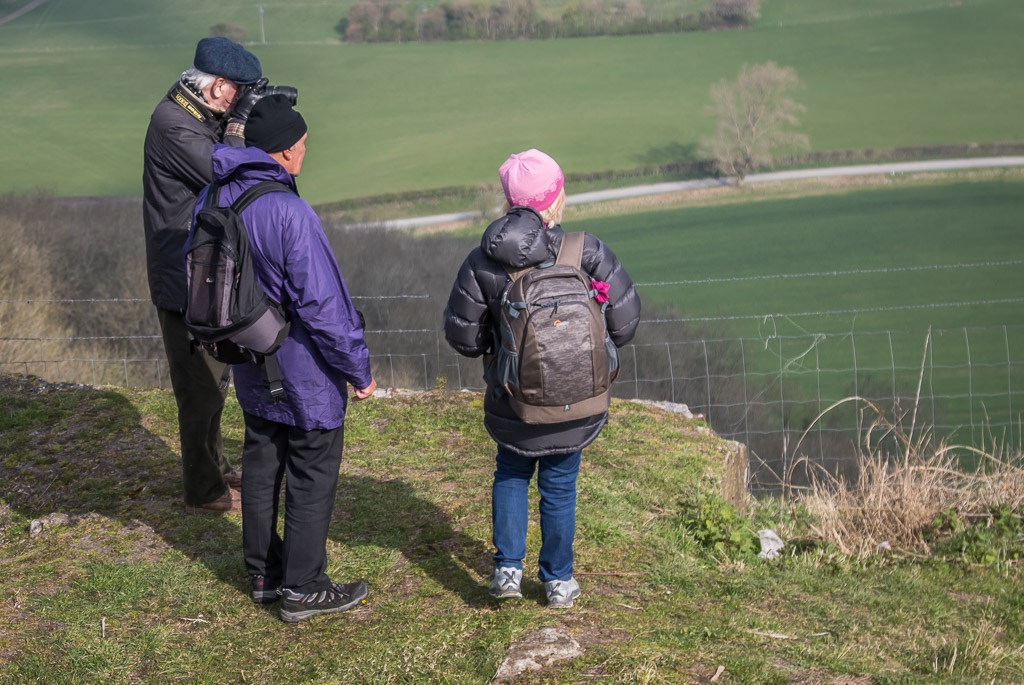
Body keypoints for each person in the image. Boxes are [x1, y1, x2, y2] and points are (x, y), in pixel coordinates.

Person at [190, 94, 377, 622]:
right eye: (303, 145)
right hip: (301, 366)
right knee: (311, 468)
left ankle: (263, 575)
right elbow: (323, 305)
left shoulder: (214, 195)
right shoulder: (290, 212)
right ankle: (304, 586)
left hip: (246, 357)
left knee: (262, 459)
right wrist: (357, 369)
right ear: (289, 151)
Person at [443, 149, 641, 608]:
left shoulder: (484, 261)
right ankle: (558, 581)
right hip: (577, 402)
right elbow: (627, 324)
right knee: (560, 484)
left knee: (511, 473)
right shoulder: (585, 251)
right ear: (555, 201)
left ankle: (507, 571)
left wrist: (501, 345)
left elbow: (463, 337)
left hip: (513, 400)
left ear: (509, 201)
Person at [142, 37, 264, 514]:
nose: (241, 100)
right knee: (198, 389)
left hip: (202, 269)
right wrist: (237, 127)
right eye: (239, 92)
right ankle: (204, 490)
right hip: (182, 277)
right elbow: (225, 174)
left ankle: (214, 464)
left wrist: (236, 118)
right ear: (217, 87)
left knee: (216, 383)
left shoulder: (195, 113)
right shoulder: (173, 123)